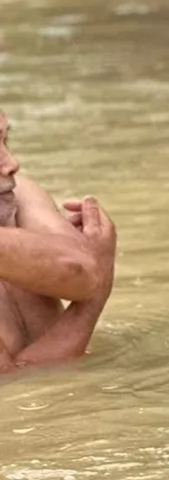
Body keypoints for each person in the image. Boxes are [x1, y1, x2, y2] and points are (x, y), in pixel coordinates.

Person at [0, 112, 117, 369]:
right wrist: (94, 301)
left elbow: (83, 271)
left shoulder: (19, 195)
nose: (12, 163)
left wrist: (100, 268)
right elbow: (26, 382)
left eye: (5, 141)